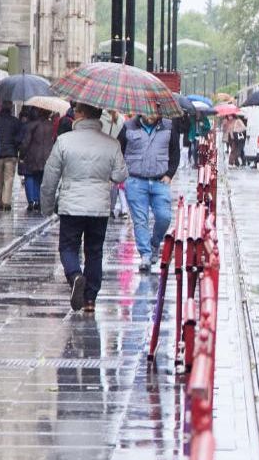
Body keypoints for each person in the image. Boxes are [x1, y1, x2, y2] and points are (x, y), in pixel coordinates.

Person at [41, 103, 129, 312]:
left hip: (71, 205)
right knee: (94, 250)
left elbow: (50, 176)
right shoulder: (111, 143)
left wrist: (46, 206)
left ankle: (75, 275)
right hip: (99, 206)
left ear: (81, 115)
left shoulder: (64, 141)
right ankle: (90, 299)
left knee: (68, 247)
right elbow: (120, 175)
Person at [118, 111, 181, 272]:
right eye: (148, 111)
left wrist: (169, 174)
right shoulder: (128, 126)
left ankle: (154, 242)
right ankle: (145, 255)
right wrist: (123, 174)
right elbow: (119, 151)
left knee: (164, 217)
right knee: (140, 220)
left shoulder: (168, 126)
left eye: (155, 112)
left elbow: (175, 152)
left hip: (160, 181)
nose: (151, 115)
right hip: (136, 180)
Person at [20, 107, 58, 212]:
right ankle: (39, 200)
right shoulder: (51, 125)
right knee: (42, 178)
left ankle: (32, 201)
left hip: (32, 155)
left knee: (30, 176)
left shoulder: (31, 125)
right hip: (47, 156)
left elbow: (26, 142)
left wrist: (22, 154)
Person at [0, 101, 23, 211]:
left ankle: (1, 199)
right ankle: (6, 201)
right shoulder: (15, 122)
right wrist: (16, 147)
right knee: (9, 178)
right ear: (10, 107)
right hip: (11, 154)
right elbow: (19, 138)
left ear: (1, 106)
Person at [101, 110, 129, 218]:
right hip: (106, 155)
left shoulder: (120, 121)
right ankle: (107, 207)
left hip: (113, 155)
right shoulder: (101, 118)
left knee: (113, 185)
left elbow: (123, 140)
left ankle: (110, 208)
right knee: (109, 184)